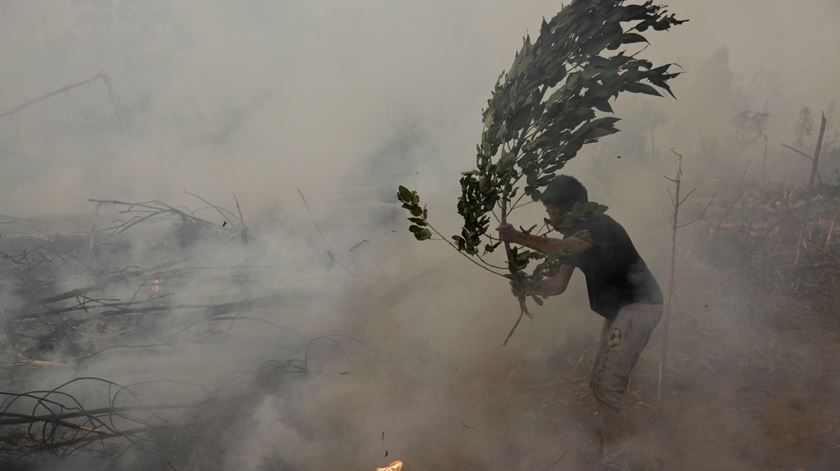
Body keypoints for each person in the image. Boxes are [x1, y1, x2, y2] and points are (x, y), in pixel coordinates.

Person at [495, 175, 663, 471]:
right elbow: (558, 285)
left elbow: (560, 248)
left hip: (639, 308)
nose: (549, 219)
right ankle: (618, 451)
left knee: (608, 384)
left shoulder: (598, 226)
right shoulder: (577, 237)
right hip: (620, 314)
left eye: (551, 212)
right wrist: (528, 286)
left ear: (572, 206)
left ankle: (623, 461)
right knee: (600, 383)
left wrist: (518, 237)